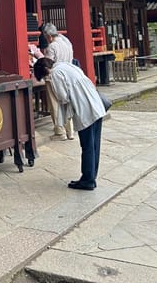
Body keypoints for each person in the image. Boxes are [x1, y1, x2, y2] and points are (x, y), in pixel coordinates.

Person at [33, 57, 106, 191]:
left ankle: (88, 180)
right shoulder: (67, 66)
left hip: (85, 109)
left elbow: (63, 96)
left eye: (44, 76)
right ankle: (90, 177)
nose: (46, 78)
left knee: (87, 146)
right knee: (95, 145)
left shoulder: (55, 73)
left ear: (45, 70)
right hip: (95, 104)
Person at [33, 23, 75, 140]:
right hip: (67, 76)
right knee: (66, 103)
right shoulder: (67, 43)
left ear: (49, 36)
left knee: (55, 104)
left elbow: (47, 64)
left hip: (54, 77)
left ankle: (60, 131)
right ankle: (70, 131)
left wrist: (37, 55)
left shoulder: (52, 47)